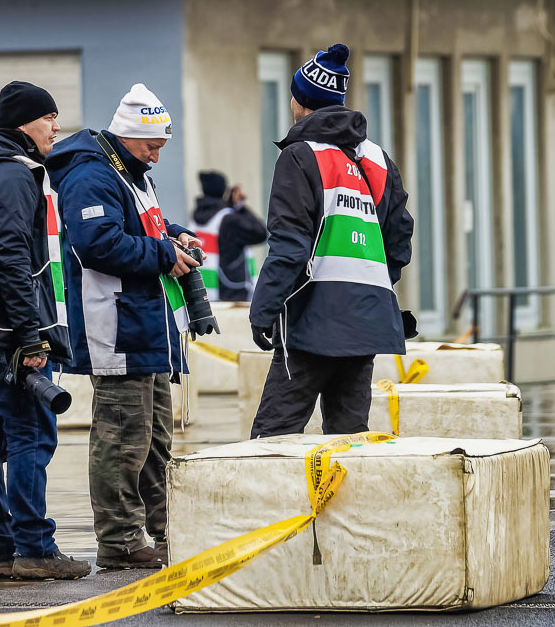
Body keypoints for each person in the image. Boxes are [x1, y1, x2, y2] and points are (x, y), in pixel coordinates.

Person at [48, 84, 215, 571]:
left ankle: (163, 531)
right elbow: (96, 243)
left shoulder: (130, 172)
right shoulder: (91, 175)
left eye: (161, 147)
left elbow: (140, 227)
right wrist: (164, 252)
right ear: (126, 135)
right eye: (151, 146)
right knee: (122, 439)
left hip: (148, 327)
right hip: (117, 328)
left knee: (154, 441)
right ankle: (120, 541)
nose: (156, 156)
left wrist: (174, 235)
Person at [0, 82, 88, 581]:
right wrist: (30, 336)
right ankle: (35, 548)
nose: (56, 126)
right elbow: (11, 256)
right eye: (49, 117)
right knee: (30, 433)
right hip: (9, 331)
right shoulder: (12, 174)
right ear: (24, 123)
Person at [249, 45, 414, 438]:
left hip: (314, 317)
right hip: (369, 318)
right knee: (350, 437)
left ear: (300, 101)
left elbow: (290, 247)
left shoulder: (299, 156)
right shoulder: (378, 159)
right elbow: (399, 240)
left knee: (272, 439)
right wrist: (368, 286)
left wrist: (262, 311)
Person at [187, 172, 268, 301]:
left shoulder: (195, 219)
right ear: (224, 191)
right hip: (232, 292)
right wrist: (239, 206)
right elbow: (261, 233)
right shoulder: (229, 219)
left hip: (204, 291)